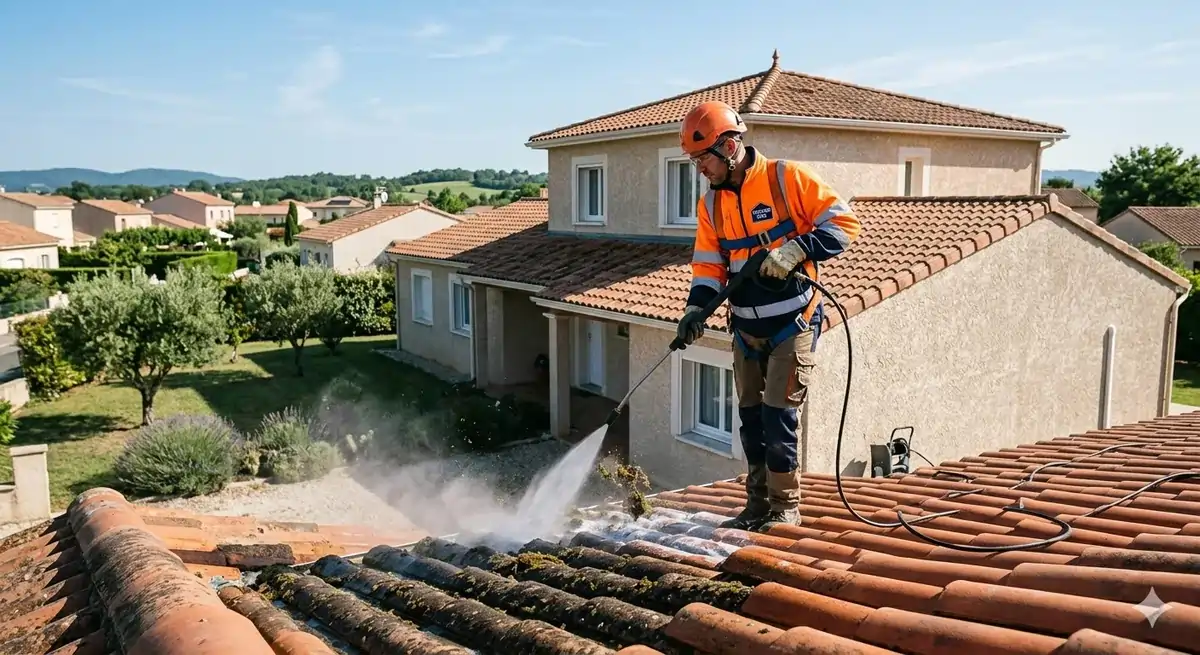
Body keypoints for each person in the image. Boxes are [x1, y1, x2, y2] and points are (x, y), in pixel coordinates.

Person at [675, 100, 861, 532]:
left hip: (791, 323)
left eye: (702, 158)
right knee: (751, 420)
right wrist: (694, 310)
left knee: (778, 419)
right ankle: (756, 505)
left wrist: (798, 249)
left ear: (728, 145)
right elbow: (708, 267)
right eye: (695, 161)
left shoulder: (785, 178)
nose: (700, 169)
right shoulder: (711, 205)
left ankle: (784, 508)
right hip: (745, 329)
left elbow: (844, 223)